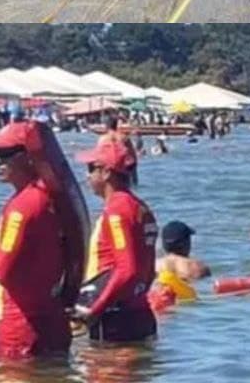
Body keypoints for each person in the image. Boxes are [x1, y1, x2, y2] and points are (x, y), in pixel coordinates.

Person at [0, 131, 70, 359]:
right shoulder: (49, 195)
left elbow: (1, 269)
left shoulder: (24, 206)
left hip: (23, 326)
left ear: (29, 158)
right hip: (51, 317)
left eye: (5, 155)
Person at [75, 137, 158, 344]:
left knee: (107, 375)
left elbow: (126, 269)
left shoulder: (118, 210)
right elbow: (148, 271)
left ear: (106, 173)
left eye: (91, 168)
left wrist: (95, 309)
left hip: (116, 318)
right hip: (139, 311)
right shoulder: (140, 207)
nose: (87, 176)